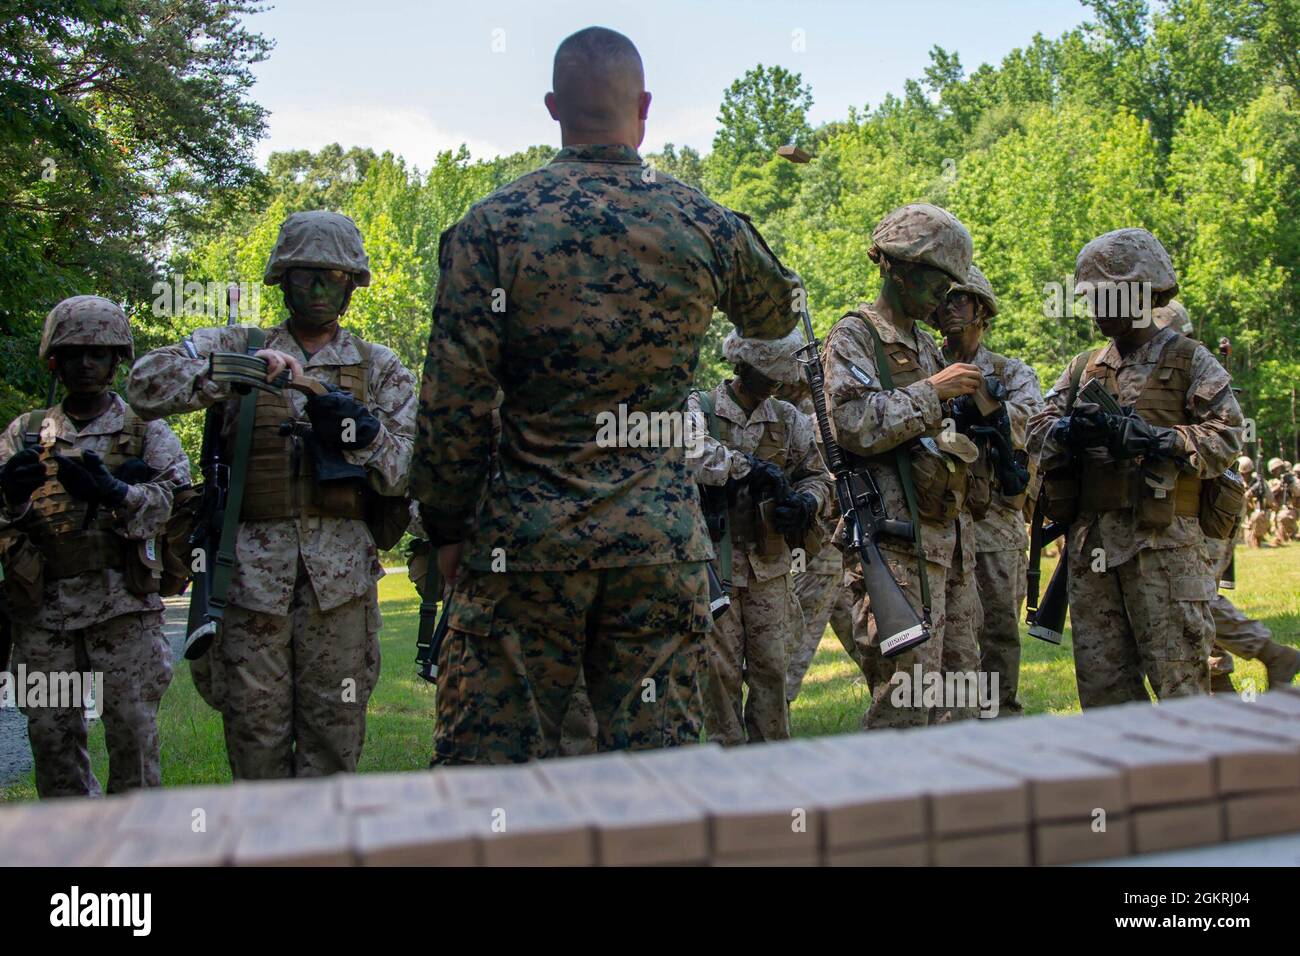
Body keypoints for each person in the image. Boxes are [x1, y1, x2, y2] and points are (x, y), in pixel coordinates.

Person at [411, 27, 801, 764]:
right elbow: (777, 312)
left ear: (554, 107)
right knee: (657, 773)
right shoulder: (701, 220)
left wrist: (447, 526)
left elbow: (451, 402)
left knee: (490, 778)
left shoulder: (493, 225)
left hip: (524, 547)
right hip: (657, 548)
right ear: (644, 107)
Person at [127, 210, 416, 779]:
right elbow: (143, 383)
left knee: (334, 746)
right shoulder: (240, 343)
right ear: (281, 279)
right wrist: (231, 372)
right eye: (303, 274)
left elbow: (409, 470)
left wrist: (360, 432)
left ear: (351, 286)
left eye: (331, 277)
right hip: (248, 580)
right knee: (255, 746)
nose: (316, 288)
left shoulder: (378, 366)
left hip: (342, 585)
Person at [1026, 228, 1244, 708]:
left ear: (1139, 292)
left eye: (1103, 297)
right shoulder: (1084, 368)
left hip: (1163, 547)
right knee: (1106, 697)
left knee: (1181, 689)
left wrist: (1158, 439)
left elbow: (1227, 438)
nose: (1094, 309)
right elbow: (1035, 430)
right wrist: (1066, 434)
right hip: (1093, 552)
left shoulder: (1188, 360)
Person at [0, 296, 188, 797]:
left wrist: (118, 494)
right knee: (52, 740)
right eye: (75, 352)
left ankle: (137, 854)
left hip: (123, 611)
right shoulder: (24, 433)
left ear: (115, 361)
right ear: (54, 360)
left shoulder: (146, 429)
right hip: (45, 614)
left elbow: (181, 508)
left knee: (133, 739)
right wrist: (12, 499)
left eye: (98, 353)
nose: (86, 363)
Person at [821, 202, 986, 728]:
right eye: (940, 281)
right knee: (905, 702)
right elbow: (852, 423)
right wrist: (931, 393)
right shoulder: (855, 336)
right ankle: (890, 810)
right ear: (902, 266)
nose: (947, 295)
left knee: (960, 699)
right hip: (894, 548)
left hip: (946, 543)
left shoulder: (924, 344)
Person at [687, 330, 833, 744]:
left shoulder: (788, 419)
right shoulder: (701, 407)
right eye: (767, 373)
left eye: (779, 377)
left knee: (773, 669)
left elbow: (819, 476)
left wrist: (807, 502)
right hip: (716, 569)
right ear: (742, 364)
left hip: (770, 569)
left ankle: (772, 761)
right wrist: (745, 466)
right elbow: (689, 452)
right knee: (720, 675)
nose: (774, 384)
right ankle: (729, 766)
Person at [936, 264, 1043, 715]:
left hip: (994, 515)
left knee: (998, 624)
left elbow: (1034, 426)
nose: (947, 309)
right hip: (936, 511)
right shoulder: (923, 365)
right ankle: (948, 718)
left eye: (958, 300)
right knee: (942, 626)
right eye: (942, 300)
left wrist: (986, 403)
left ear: (981, 310)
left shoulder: (1009, 371)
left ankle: (999, 715)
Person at [1240, 456, 1272, 548]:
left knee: (1257, 517)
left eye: (1246, 473)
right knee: (1249, 541)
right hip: (1245, 520)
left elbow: (1271, 502)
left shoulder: (1261, 483)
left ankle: (1260, 536)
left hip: (1261, 517)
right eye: (1242, 473)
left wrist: (1262, 493)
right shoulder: (1237, 483)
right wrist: (1247, 494)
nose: (1244, 476)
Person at [1268, 457, 1297, 544]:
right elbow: (1269, 494)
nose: (1278, 471)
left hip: (1290, 509)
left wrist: (1291, 484)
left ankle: (1292, 533)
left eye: (1279, 468)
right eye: (1275, 469)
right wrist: (1279, 486)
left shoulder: (1292, 480)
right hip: (1275, 512)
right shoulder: (1272, 482)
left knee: (1284, 516)